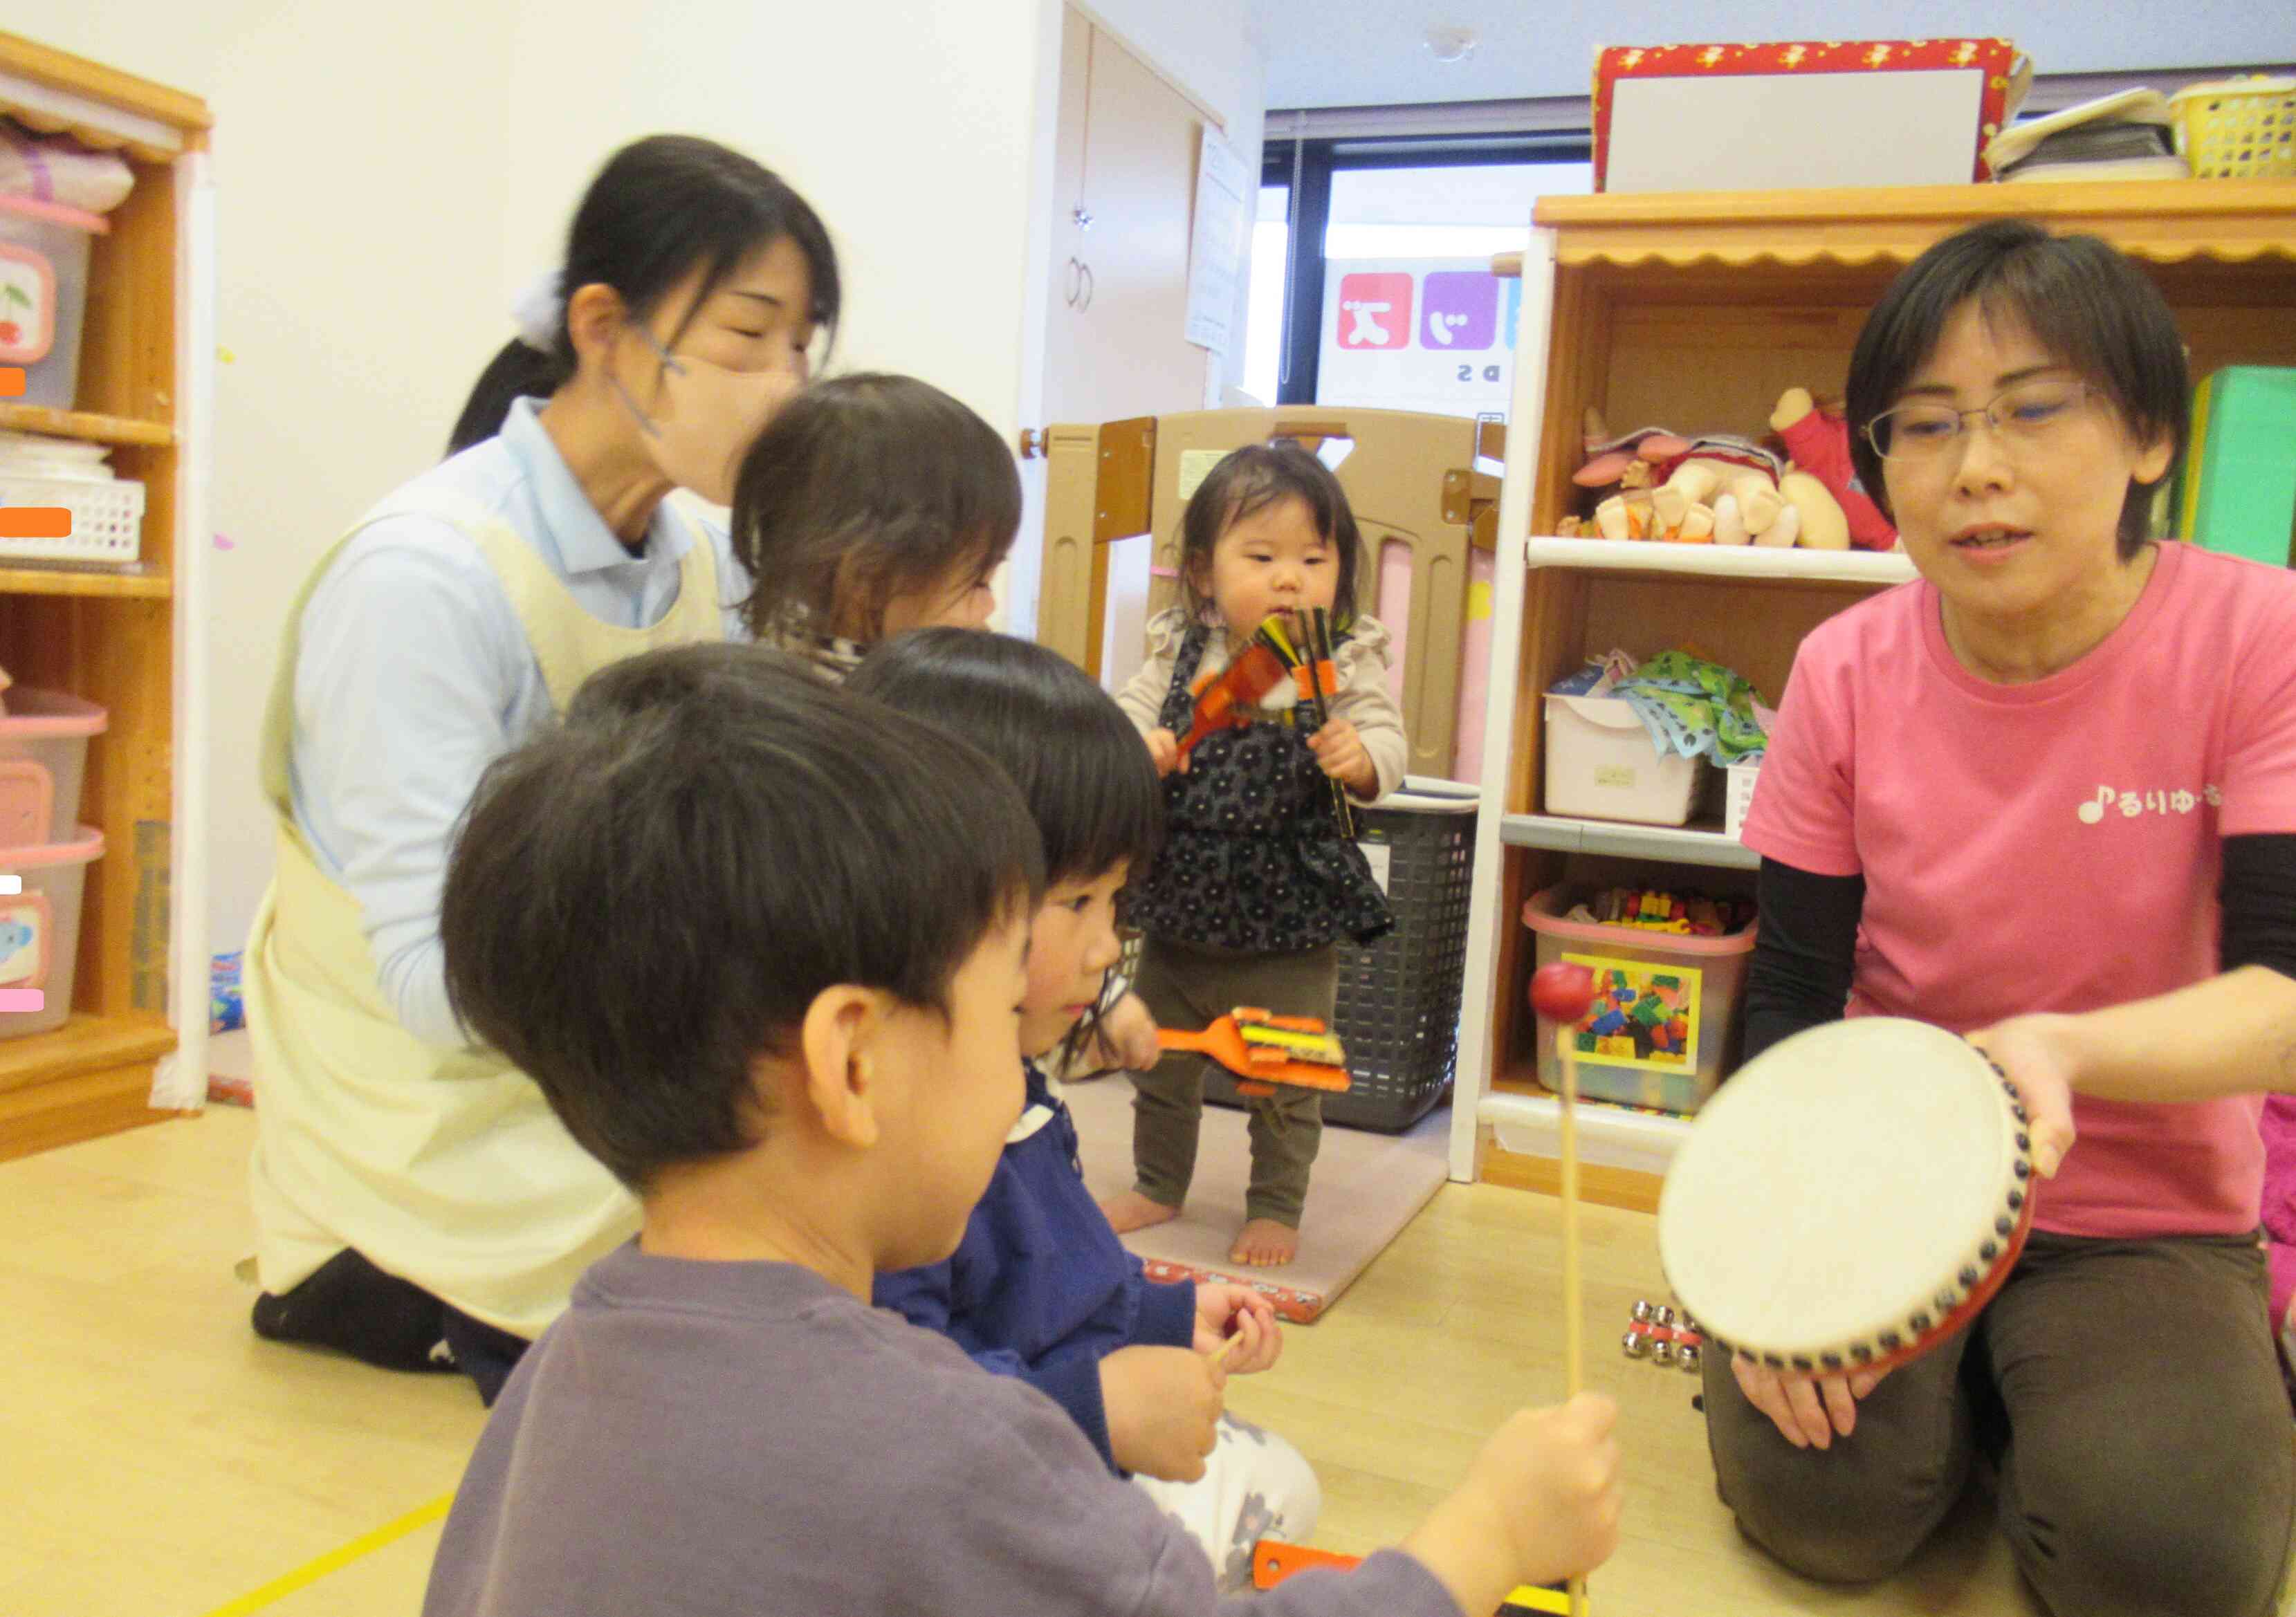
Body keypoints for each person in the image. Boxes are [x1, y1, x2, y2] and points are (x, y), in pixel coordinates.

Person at [420, 640, 1622, 1617]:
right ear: (851, 1061)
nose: (1023, 1082)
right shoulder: (942, 1445)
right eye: (1000, 1012)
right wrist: (1482, 1536)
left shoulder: (548, 1377)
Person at [1711, 217, 2296, 1617]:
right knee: (1825, 1516)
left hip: (2146, 1205)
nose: (1976, 467)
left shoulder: (2259, 636)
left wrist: (2062, 1052)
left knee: (2168, 1568)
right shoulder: (1843, 667)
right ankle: (1972, 1408)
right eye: (1923, 427)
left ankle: (2068, 1401)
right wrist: (1764, 1260)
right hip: (1888, 1174)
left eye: (2034, 409)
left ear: (2149, 434)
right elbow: (1787, 992)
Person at [244, 134, 837, 1403]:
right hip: (430, 1140)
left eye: (803, 349)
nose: (784, 391)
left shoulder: (691, 560)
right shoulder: (422, 577)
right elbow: (436, 982)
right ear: (605, 329)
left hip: (592, 1076)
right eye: (745, 342)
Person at [856, 629, 1319, 1589]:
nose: (1109, 947)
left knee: (1278, 1483)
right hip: (981, 1487)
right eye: (1078, 902)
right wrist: (1090, 1403)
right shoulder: (901, 1153)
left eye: (1116, 902)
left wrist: (1162, 1309)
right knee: (1227, 1520)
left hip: (1050, 1422)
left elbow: (1055, 1277)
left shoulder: (1012, 1080)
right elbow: (897, 1405)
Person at [1101, 443, 1406, 1268]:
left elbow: (1386, 737)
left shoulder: (1339, 657)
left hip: (1290, 921)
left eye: (1314, 558)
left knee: (1286, 1078)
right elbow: (1120, 722)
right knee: (1160, 1065)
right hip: (1179, 913)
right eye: (1262, 557)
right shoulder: (1177, 652)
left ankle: (1274, 1206)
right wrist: (1144, 746)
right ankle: (1159, 1182)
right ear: (1202, 574)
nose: (1290, 579)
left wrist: (1363, 757)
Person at [730, 371, 1018, 678]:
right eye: (980, 583)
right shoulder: (856, 705)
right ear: (865, 572)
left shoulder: (775, 655)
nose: (990, 607)